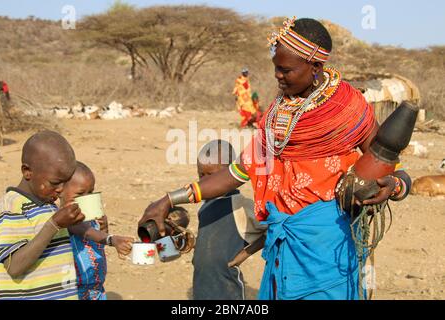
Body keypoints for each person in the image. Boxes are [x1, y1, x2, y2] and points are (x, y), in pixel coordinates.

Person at [140, 17, 412, 300]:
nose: (278, 76)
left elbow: (390, 165)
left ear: (316, 67)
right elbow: (237, 172)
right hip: (282, 248)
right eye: (276, 69)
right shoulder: (276, 115)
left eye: (286, 70)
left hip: (328, 248)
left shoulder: (348, 108)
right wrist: (169, 200)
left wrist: (395, 185)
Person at [0, 130, 84, 300]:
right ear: (27, 171)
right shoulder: (10, 208)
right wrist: (54, 225)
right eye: (55, 183)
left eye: (66, 182)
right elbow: (14, 266)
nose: (61, 189)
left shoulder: (47, 203)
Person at [192, 140, 267, 300]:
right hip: (201, 288)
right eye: (201, 175)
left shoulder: (240, 205)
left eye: (211, 175)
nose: (204, 182)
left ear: (228, 174)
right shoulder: (205, 206)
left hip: (227, 292)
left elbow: (273, 229)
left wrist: (246, 253)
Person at [60, 161, 134, 300]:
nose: (87, 198)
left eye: (91, 192)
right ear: (60, 191)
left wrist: (104, 228)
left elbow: (96, 243)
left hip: (97, 290)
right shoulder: (64, 219)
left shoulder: (91, 220)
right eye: (80, 194)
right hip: (74, 293)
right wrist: (111, 239)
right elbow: (83, 231)